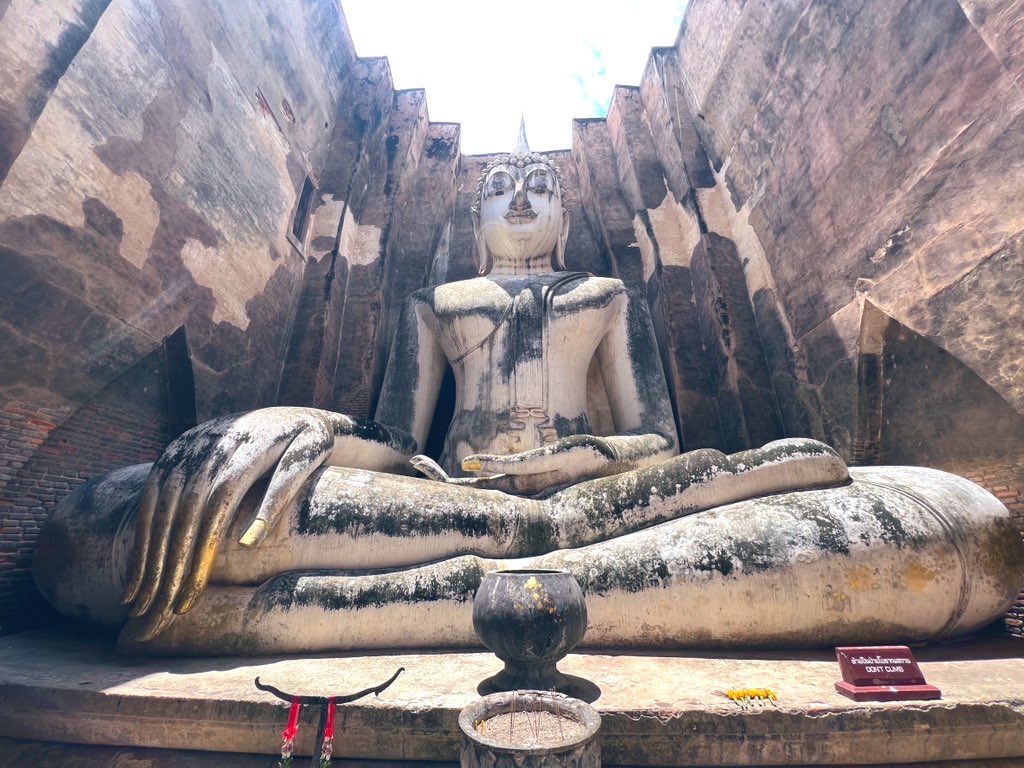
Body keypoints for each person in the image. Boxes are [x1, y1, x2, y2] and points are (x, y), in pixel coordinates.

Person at [33, 132, 1024, 655]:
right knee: (102, 526)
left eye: (538, 186)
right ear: (476, 214)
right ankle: (533, 553)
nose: (517, 197)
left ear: (563, 213)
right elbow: (395, 439)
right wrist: (304, 427)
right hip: (448, 502)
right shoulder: (436, 302)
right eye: (500, 186)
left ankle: (351, 602)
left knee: (953, 523)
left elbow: (654, 436)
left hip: (606, 499)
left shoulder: (604, 294)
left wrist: (586, 461)